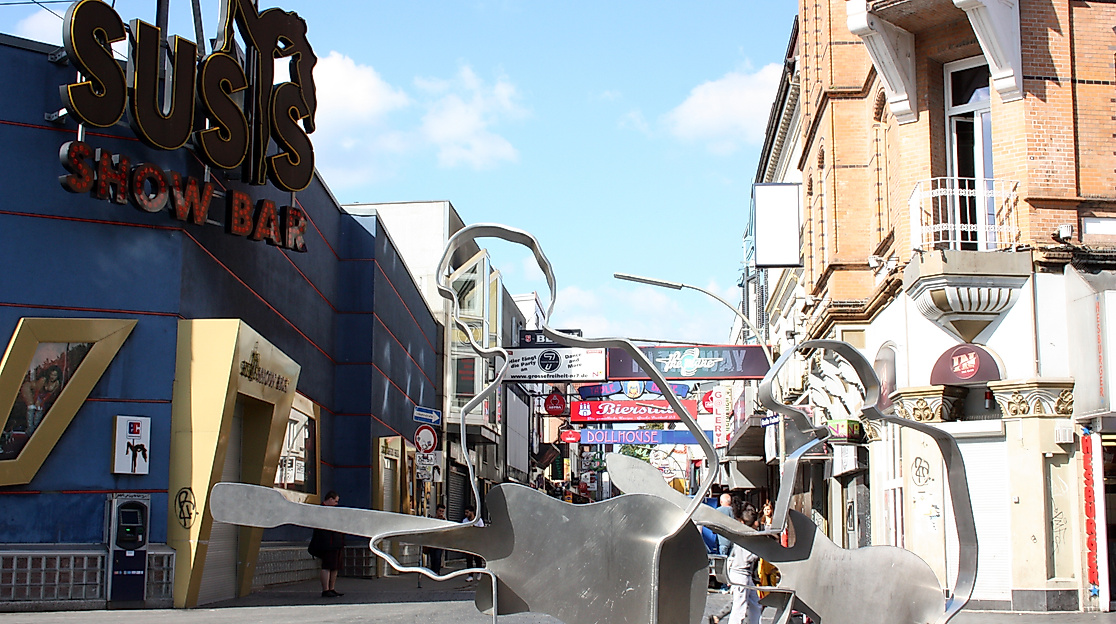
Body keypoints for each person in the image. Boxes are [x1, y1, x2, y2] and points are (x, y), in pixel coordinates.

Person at [726, 504, 762, 624]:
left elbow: (731, 556)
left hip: (741, 574)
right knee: (739, 607)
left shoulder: (741, 534)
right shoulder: (749, 536)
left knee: (755, 604)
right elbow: (749, 557)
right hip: (741, 574)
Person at [309, 491, 345, 597]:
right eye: (335, 501)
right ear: (330, 499)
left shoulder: (329, 511)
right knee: (327, 566)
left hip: (334, 542)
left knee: (334, 567)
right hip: (328, 543)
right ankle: (326, 589)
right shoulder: (321, 511)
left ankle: (331, 588)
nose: (336, 504)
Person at [461, 505, 484, 581]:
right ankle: (470, 575)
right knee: (469, 559)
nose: (466, 514)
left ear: (472, 512)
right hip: (468, 542)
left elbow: (482, 531)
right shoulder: (465, 521)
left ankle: (479, 573)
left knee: (477, 559)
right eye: (465, 512)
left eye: (467, 512)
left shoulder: (478, 520)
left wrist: (474, 528)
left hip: (477, 542)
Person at [426, 504, 447, 574]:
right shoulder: (433, 519)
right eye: (440, 511)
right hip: (432, 541)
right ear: (436, 511)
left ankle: (437, 571)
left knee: (438, 557)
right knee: (433, 557)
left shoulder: (444, 521)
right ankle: (432, 571)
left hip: (440, 542)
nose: (441, 513)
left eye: (442, 511)